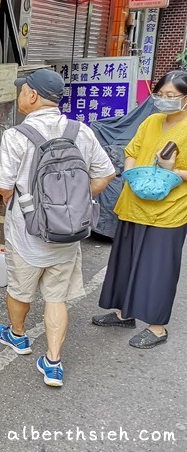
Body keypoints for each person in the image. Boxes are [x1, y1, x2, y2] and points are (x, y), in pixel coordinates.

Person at [0, 69, 114, 387]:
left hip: (26, 231)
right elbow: (106, 174)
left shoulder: (16, 136)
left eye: (22, 90)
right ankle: (53, 363)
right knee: (56, 297)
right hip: (68, 234)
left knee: (20, 288)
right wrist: (74, 203)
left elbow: (3, 187)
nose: (19, 95)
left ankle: (18, 336)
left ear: (32, 95)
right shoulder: (80, 131)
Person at [93, 70, 187, 349]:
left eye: (172, 96)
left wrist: (175, 172)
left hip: (168, 211)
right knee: (125, 261)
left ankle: (157, 328)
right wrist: (132, 172)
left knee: (157, 269)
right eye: (161, 95)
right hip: (134, 203)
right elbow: (131, 150)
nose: (164, 100)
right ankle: (125, 313)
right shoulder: (152, 120)